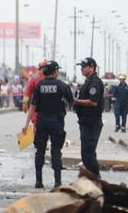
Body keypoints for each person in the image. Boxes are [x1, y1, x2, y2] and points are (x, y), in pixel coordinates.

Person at [23, 61, 74, 189]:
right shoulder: (61, 85)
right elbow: (71, 101)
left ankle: (38, 181)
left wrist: (26, 124)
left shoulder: (39, 85)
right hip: (57, 122)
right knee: (56, 151)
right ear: (55, 71)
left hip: (41, 122)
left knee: (40, 151)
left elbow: (33, 106)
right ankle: (57, 181)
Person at [74, 57, 105, 176]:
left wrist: (76, 101)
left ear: (92, 67)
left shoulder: (94, 82)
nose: (82, 69)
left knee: (87, 154)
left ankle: (95, 178)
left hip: (92, 123)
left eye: (84, 66)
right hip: (86, 122)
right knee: (88, 153)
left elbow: (93, 102)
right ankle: (93, 178)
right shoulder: (88, 81)